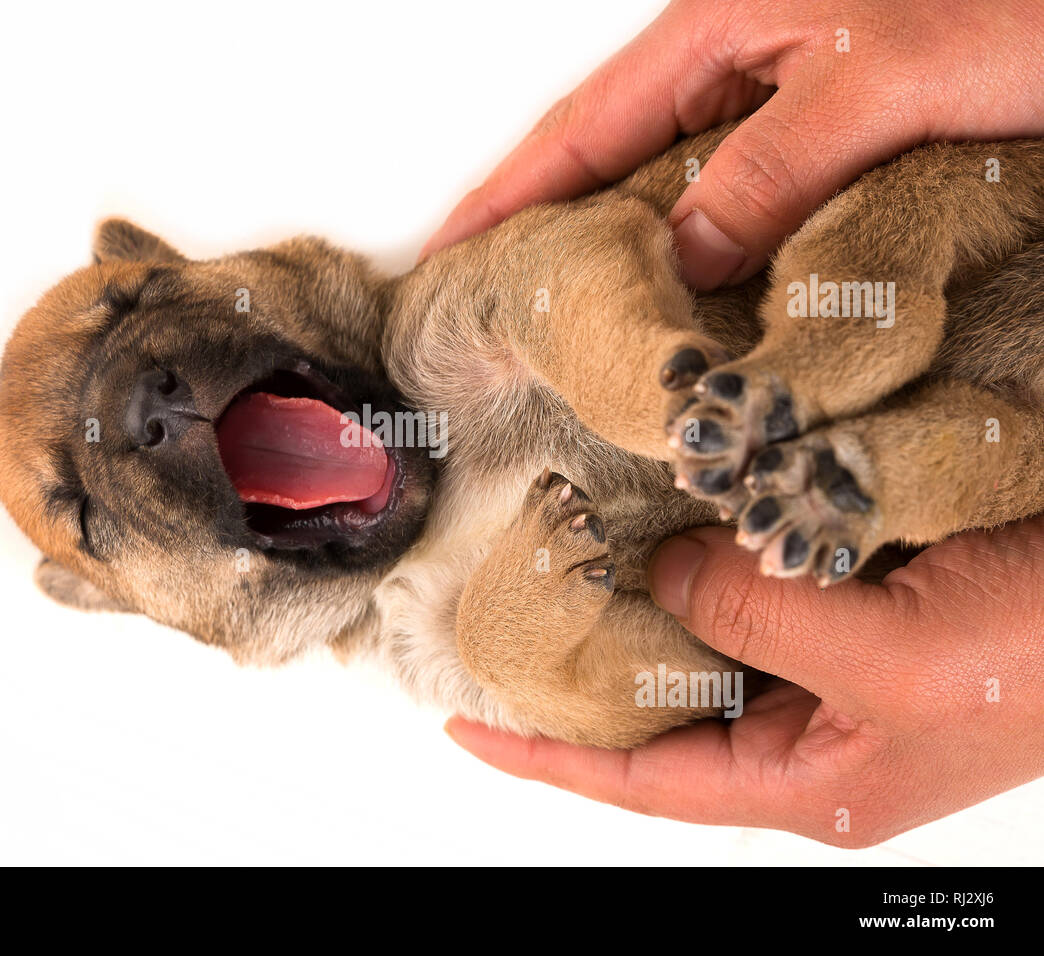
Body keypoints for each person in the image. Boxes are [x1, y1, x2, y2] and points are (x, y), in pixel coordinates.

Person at [423, 0, 1044, 847]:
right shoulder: (435, 646)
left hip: (964, 213)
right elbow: (688, 681)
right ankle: (853, 479)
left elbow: (573, 270)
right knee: (986, 452)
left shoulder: (412, 331)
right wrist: (515, 658)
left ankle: (800, 402)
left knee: (887, 249)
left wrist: (645, 393)